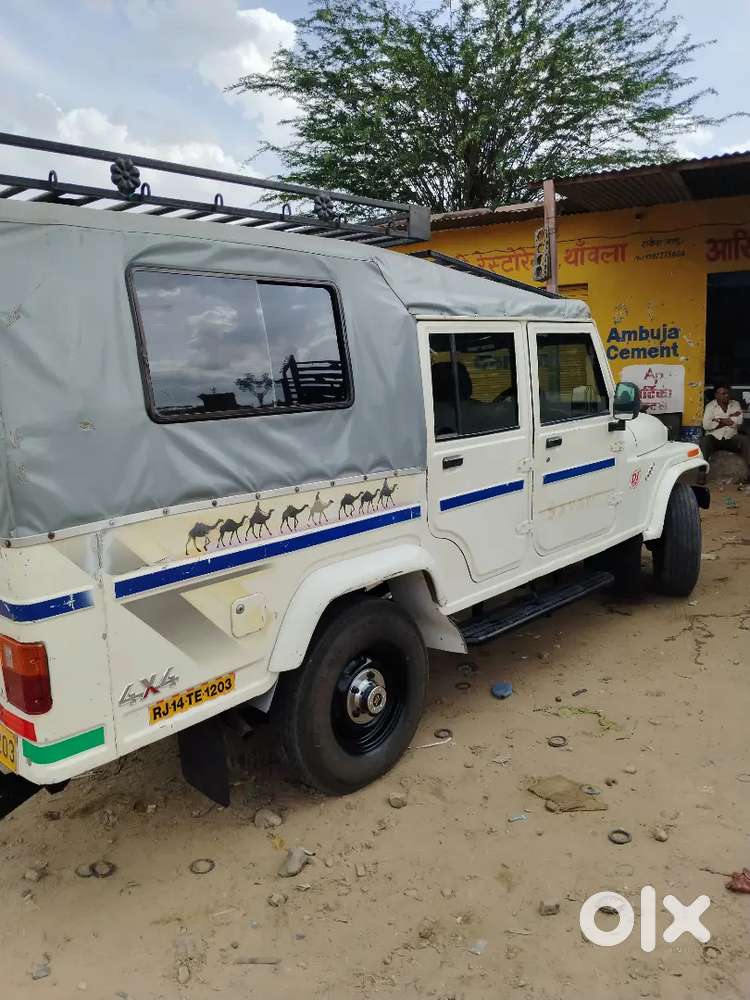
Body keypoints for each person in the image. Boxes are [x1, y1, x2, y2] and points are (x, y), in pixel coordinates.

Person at [700, 383, 750, 480]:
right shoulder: (710, 406)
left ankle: (749, 472)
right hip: (715, 439)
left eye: (727, 393)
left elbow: (738, 422)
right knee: (704, 441)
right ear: (716, 395)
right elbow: (706, 426)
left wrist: (718, 420)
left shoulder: (735, 404)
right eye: (723, 393)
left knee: (744, 440)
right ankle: (702, 472)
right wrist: (727, 420)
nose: (726, 395)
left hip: (731, 438)